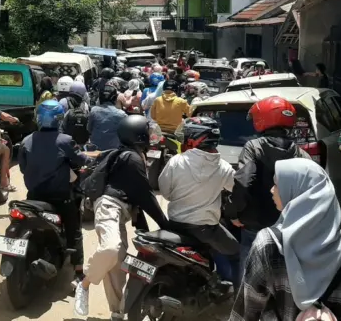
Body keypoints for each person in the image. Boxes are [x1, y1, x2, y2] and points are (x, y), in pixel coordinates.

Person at [230, 159, 341, 321]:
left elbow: (247, 312)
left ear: (299, 193)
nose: (272, 190)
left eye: (277, 185)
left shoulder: (269, 245)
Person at [74, 115, 169, 319]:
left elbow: (137, 195)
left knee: (116, 268)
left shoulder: (131, 154)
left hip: (121, 212)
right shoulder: (132, 158)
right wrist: (165, 224)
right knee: (111, 248)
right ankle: (84, 284)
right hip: (109, 207)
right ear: (138, 135)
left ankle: (116, 313)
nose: (152, 136)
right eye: (148, 132)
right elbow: (145, 195)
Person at [224, 96, 309, 289]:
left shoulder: (253, 147)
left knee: (249, 278)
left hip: (255, 225)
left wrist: (233, 213)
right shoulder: (301, 152)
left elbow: (243, 182)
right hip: (287, 227)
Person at [19, 100, 93, 287]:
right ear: (59, 119)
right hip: (60, 198)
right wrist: (91, 160)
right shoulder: (65, 140)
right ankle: (78, 273)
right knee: (74, 231)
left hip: (34, 197)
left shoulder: (27, 140)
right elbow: (80, 159)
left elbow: (22, 168)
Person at [159, 117, 238, 283]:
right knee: (235, 251)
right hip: (206, 229)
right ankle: (231, 290)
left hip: (176, 224)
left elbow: (165, 193)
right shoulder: (224, 167)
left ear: (195, 138)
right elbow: (236, 191)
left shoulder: (176, 161)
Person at [87, 83, 127, 150]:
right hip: (114, 150)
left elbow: (89, 129)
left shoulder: (94, 110)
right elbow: (125, 135)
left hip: (96, 149)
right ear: (115, 98)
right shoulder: (122, 114)